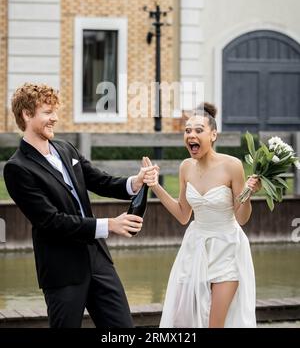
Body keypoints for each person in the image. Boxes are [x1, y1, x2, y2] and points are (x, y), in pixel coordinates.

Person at [3, 83, 158, 328]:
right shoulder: (17, 168)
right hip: (62, 270)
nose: (55, 118)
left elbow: (99, 180)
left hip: (98, 260)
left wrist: (135, 182)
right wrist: (110, 225)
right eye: (47, 112)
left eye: (55, 111)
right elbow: (51, 221)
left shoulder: (65, 148)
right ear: (26, 114)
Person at [143, 102, 260, 328]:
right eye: (187, 131)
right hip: (194, 248)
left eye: (198, 130)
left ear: (213, 134)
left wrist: (247, 194)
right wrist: (155, 186)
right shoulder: (185, 167)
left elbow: (243, 218)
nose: (191, 135)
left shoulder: (232, 166)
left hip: (227, 249)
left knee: (214, 324)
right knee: (181, 321)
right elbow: (183, 215)